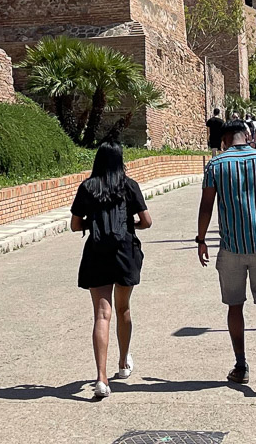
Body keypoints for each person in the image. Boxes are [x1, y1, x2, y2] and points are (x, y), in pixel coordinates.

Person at [196, 120, 256, 389]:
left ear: (225, 139)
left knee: (235, 306)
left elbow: (206, 206)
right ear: (247, 135)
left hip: (232, 247)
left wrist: (201, 240)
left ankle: (241, 365)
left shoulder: (215, 165)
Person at [70, 143, 153, 400]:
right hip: (124, 251)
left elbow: (74, 225)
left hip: (97, 253)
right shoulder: (129, 185)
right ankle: (123, 364)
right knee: (123, 309)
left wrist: (94, 222)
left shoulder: (88, 187)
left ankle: (101, 378)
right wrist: (129, 224)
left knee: (101, 315)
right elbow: (147, 221)